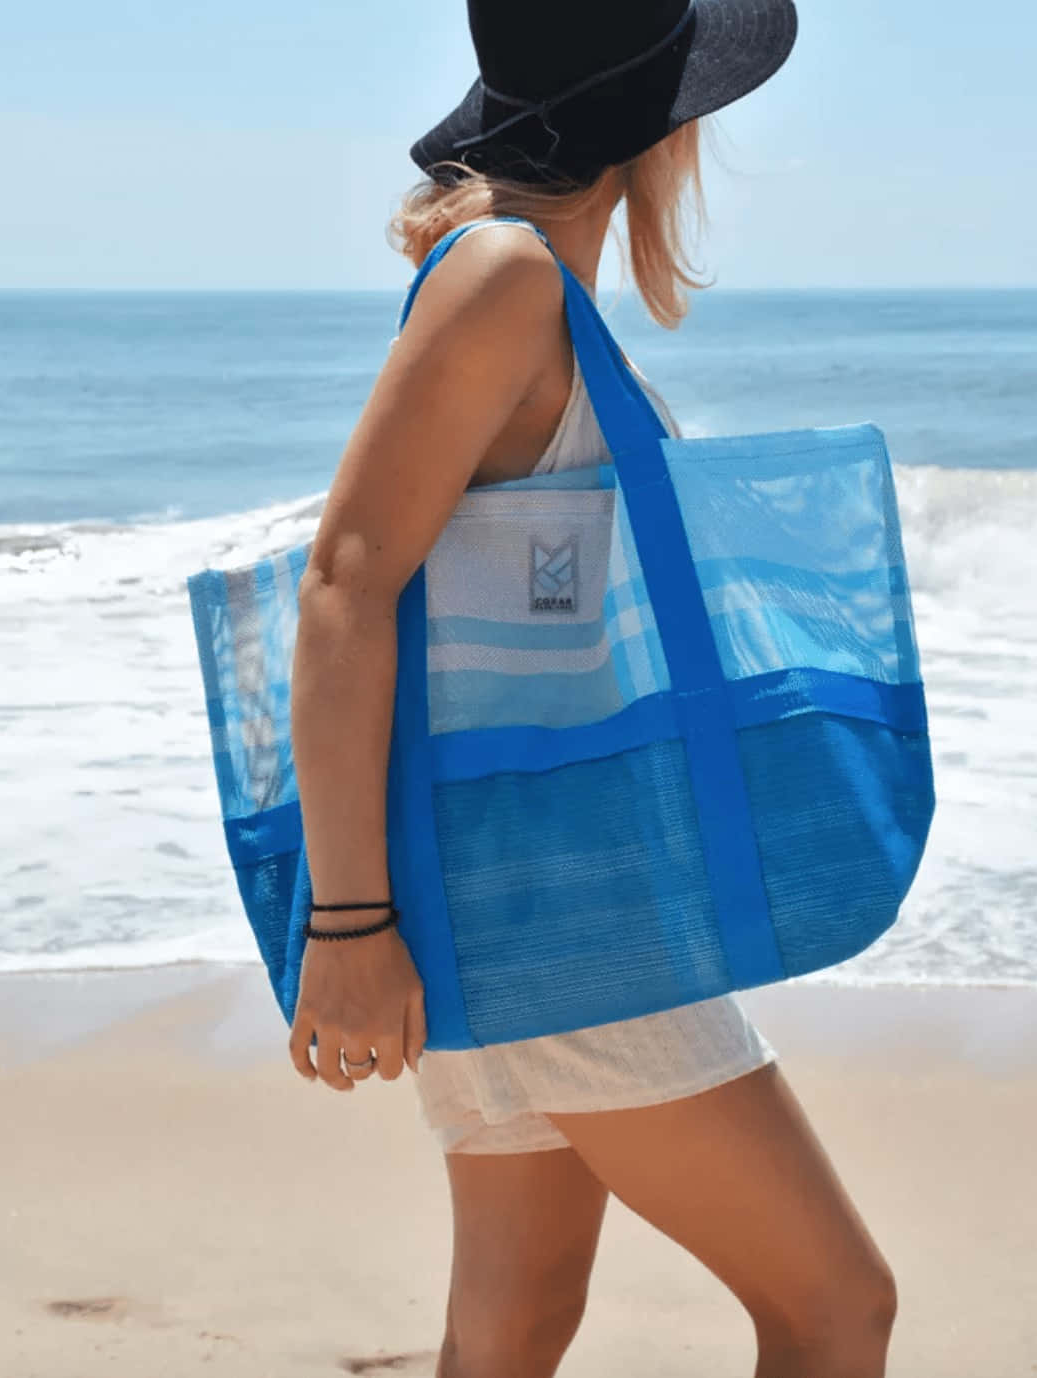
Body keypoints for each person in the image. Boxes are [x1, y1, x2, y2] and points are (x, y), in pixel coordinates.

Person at [287, 2, 898, 1374]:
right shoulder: (501, 278)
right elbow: (343, 585)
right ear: (647, 123)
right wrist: (348, 923)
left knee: (513, 1321)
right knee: (838, 1305)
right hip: (570, 927)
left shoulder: (525, 291)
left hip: (510, 903)